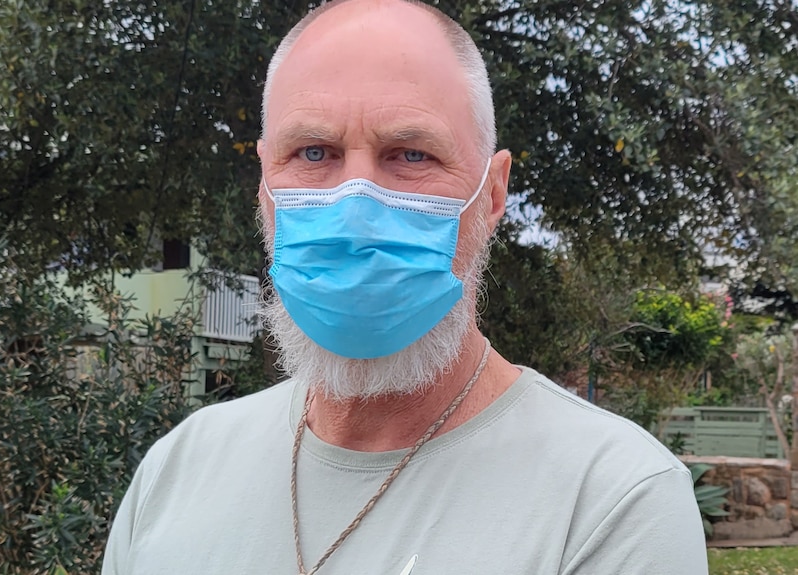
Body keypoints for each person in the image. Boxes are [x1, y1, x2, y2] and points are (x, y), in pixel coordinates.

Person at [102, 1, 709, 573]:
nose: (355, 205)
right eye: (314, 152)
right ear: (263, 183)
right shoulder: (175, 471)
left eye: (411, 155)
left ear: (493, 194)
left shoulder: (612, 500)